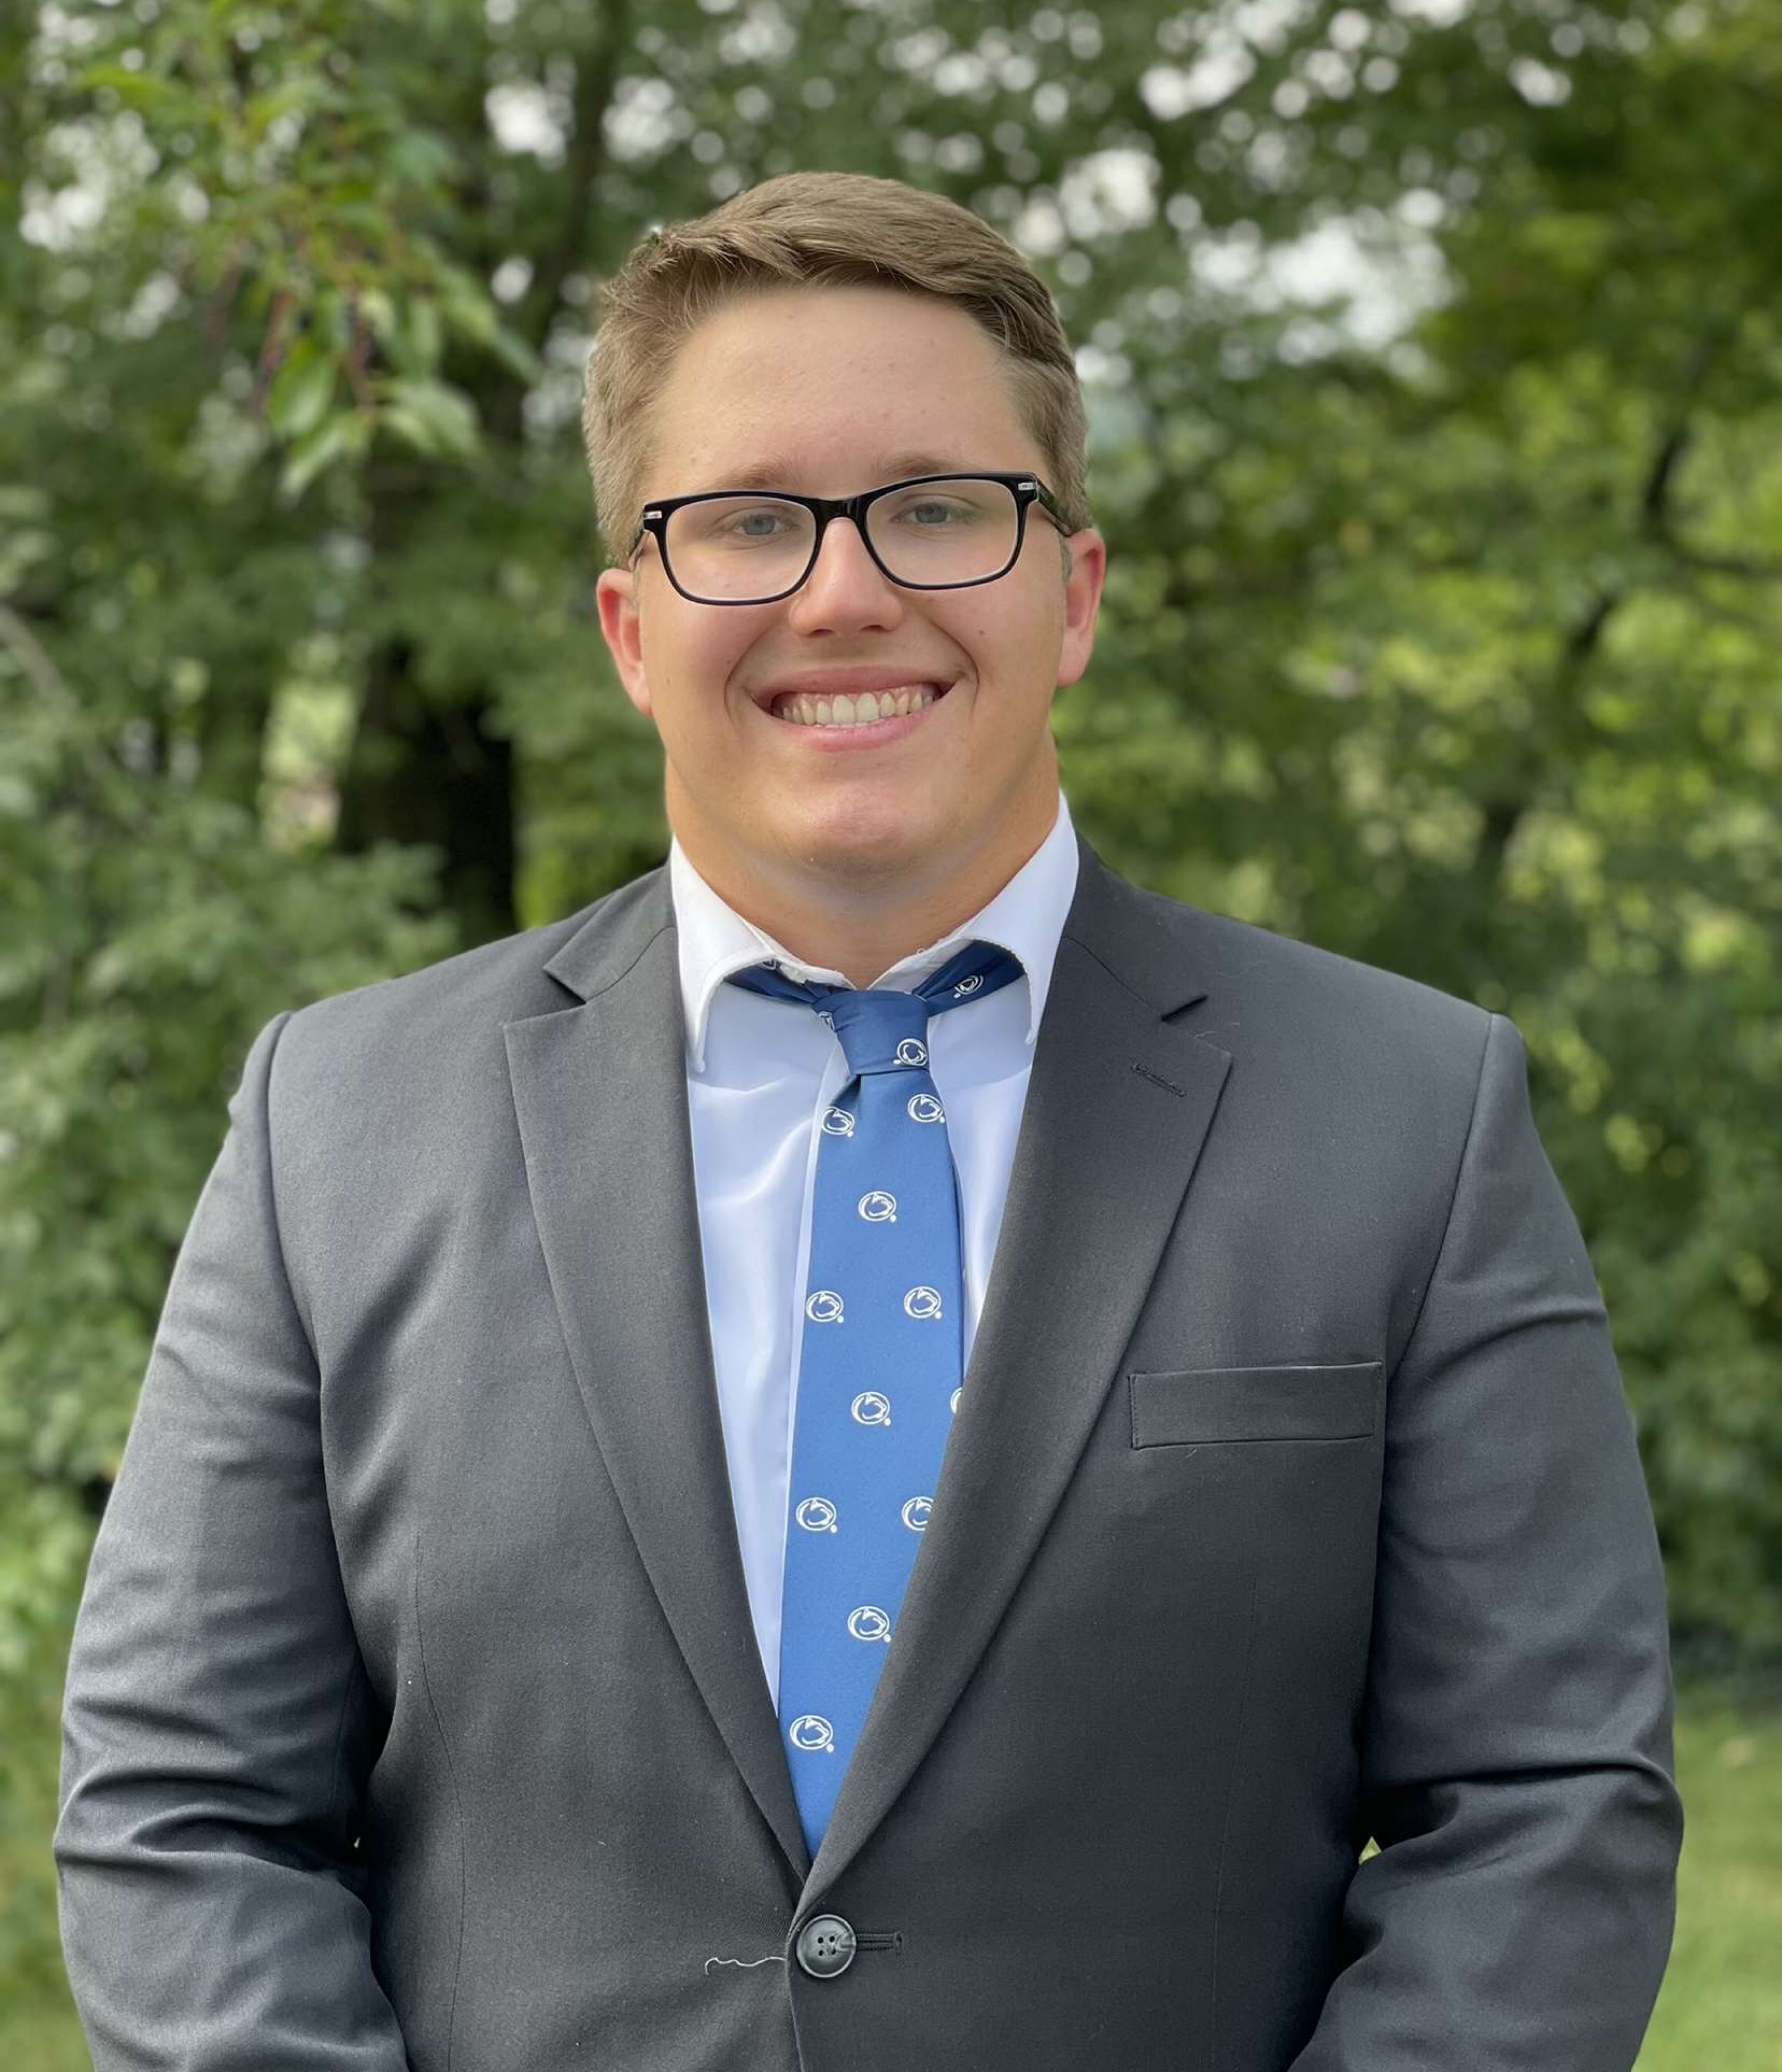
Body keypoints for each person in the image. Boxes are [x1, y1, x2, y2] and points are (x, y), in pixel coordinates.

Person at [54, 170, 1682, 2070]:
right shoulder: (336, 1126)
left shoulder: (1411, 1116)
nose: (846, 592)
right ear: (625, 626)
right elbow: (183, 1815)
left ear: (1071, 593)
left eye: (937, 509)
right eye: (746, 521)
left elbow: (1548, 1812)